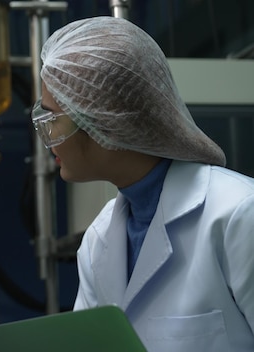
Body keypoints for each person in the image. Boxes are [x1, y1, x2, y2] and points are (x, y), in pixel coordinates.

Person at [33, 16, 254, 351]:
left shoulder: (239, 213)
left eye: (52, 119)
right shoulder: (100, 238)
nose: (47, 139)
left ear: (106, 125)